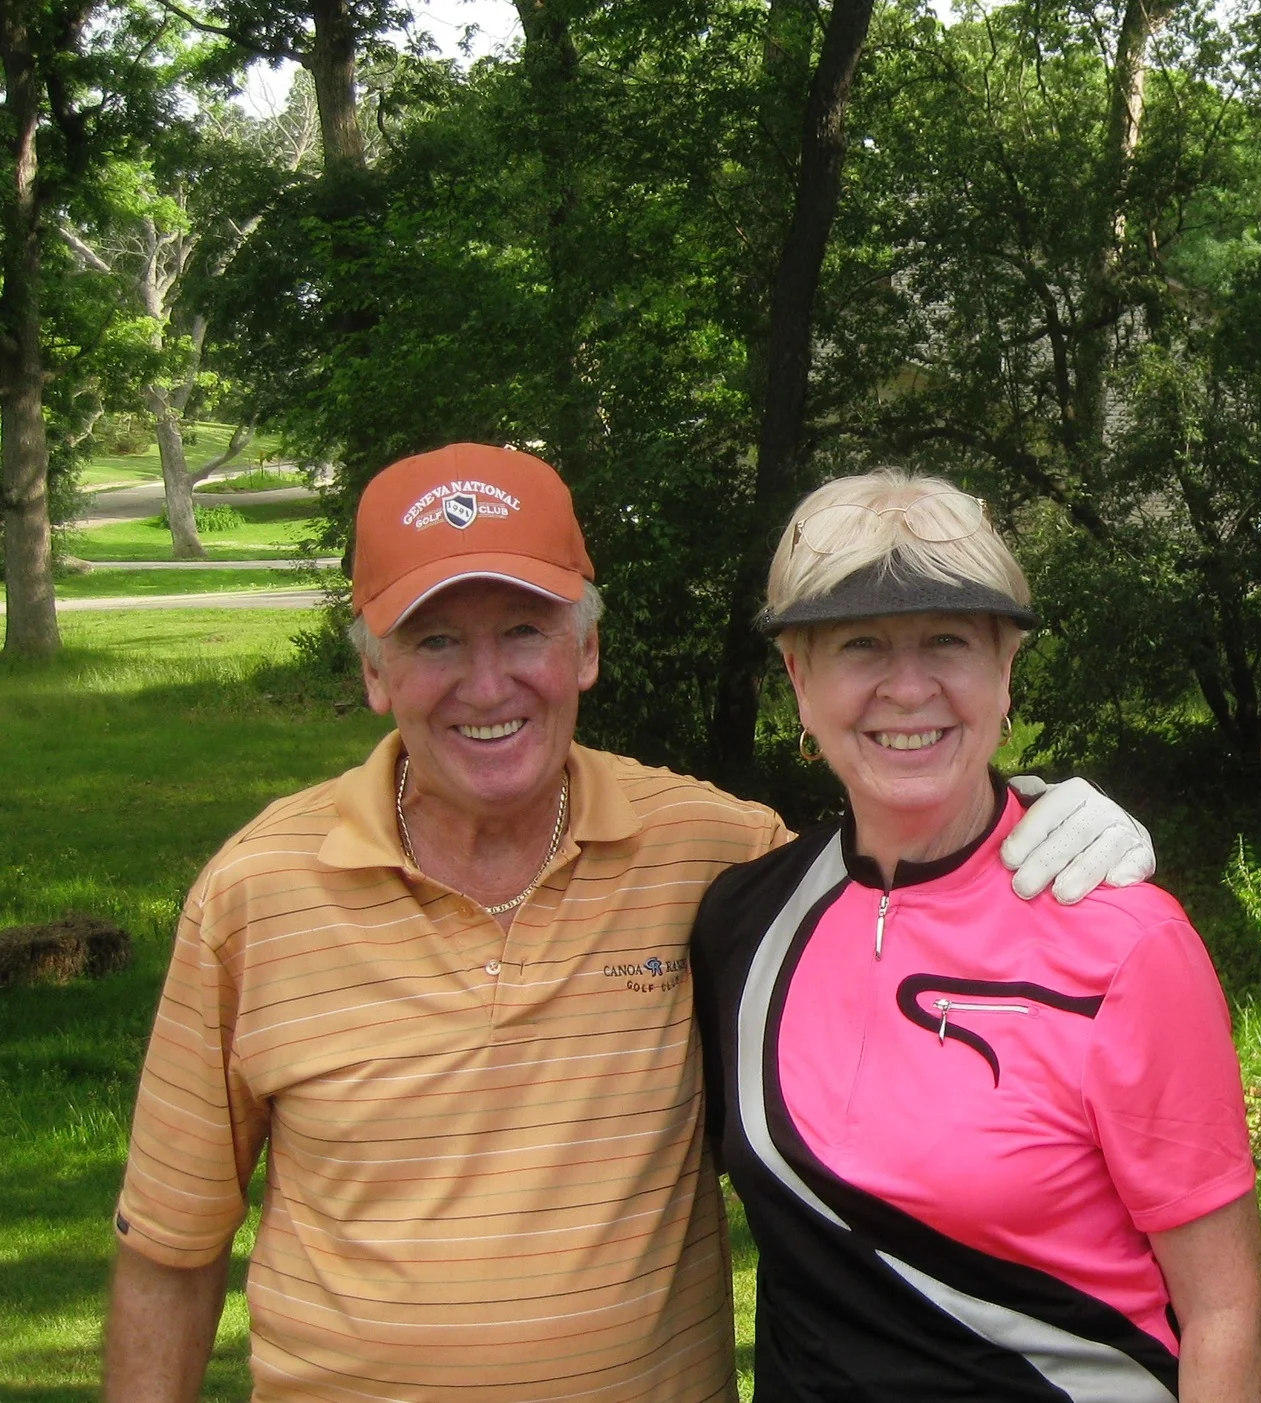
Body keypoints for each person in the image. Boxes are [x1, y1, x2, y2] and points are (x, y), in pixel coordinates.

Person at [101, 443, 1156, 1402]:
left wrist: (1041, 814)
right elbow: (169, 1247)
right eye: (435, 640)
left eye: (525, 631)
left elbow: (902, 865)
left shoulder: (717, 858)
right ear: (375, 672)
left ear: (587, 650)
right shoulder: (257, 893)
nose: (487, 683)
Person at [688, 470, 1261, 1402]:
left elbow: (1226, 1313)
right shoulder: (740, 923)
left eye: (948, 641)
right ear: (798, 677)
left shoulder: (1126, 938)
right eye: (861, 645)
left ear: (1006, 671)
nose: (908, 687)